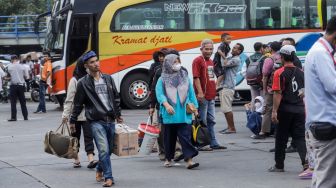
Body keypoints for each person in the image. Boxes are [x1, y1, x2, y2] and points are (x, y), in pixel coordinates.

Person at [70, 51, 122, 187]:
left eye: (96, 60)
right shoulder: (82, 83)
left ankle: (99, 168)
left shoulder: (108, 79)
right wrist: (72, 120)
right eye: (92, 62)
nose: (96, 64)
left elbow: (116, 98)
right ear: (86, 65)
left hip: (110, 119)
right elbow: (77, 104)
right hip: (95, 120)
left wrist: (118, 114)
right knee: (103, 150)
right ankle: (108, 177)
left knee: (109, 150)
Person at [305, 16, 336, 188]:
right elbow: (333, 85)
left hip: (321, 122)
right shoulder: (320, 53)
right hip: (327, 124)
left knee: (321, 175)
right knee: (327, 180)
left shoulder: (320, 50)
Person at [155, 54, 199, 169]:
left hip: (184, 113)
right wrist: (166, 104)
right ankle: (168, 158)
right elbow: (160, 94)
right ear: (168, 63)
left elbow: (191, 93)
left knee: (185, 137)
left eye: (178, 61)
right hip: (170, 113)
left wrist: (195, 108)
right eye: (174, 62)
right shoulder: (162, 78)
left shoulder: (185, 76)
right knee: (169, 138)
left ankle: (189, 160)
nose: (177, 64)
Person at [269, 45, 307, 172]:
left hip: (285, 110)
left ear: (282, 56)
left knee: (281, 137)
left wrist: (274, 111)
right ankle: (305, 163)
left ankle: (279, 165)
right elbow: (304, 92)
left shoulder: (279, 73)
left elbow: (277, 93)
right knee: (300, 137)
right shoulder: (301, 72)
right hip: (300, 110)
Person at [62, 57, 98, 169]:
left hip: (88, 114)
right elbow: (69, 99)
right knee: (75, 137)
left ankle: (91, 159)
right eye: (86, 65)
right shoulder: (74, 80)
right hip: (75, 115)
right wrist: (65, 115)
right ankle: (76, 159)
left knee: (89, 137)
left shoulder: (90, 78)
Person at [150, 49, 183, 161]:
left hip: (177, 107)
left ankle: (177, 152)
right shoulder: (159, 72)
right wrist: (152, 106)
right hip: (162, 107)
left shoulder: (182, 72)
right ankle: (163, 153)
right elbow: (155, 90)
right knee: (162, 131)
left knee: (177, 128)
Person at [192, 39, 226, 150]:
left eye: (211, 49)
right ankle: (202, 143)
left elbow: (211, 78)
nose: (209, 51)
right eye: (206, 49)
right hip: (203, 96)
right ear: (201, 49)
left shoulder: (211, 61)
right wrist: (200, 92)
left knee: (211, 120)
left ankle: (213, 142)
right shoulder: (197, 60)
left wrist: (214, 90)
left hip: (211, 95)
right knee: (202, 120)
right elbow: (196, 77)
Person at [255, 41, 282, 139]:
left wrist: (265, 88)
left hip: (272, 89)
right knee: (280, 109)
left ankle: (264, 131)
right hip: (283, 89)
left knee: (267, 109)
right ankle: (279, 131)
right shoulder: (283, 57)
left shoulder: (269, 59)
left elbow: (265, 76)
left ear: (271, 48)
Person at [218, 43, 244, 134]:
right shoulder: (232, 58)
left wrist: (221, 53)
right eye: (233, 47)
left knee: (227, 108)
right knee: (225, 108)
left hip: (228, 86)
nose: (233, 49)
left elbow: (223, 64)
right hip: (225, 86)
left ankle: (232, 128)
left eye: (235, 48)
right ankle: (229, 127)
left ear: (239, 51)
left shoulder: (236, 60)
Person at [7, 55, 29, 121]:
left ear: (11, 59)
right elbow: (27, 77)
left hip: (13, 86)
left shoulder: (9, 67)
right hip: (21, 86)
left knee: (13, 102)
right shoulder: (23, 66)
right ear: (17, 59)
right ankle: (25, 117)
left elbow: (8, 77)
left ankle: (13, 117)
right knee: (23, 102)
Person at [245, 42, 266, 110]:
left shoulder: (249, 58)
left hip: (252, 80)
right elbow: (264, 71)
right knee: (262, 98)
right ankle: (260, 114)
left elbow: (246, 70)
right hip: (261, 81)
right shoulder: (264, 58)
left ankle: (253, 113)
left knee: (254, 98)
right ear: (261, 48)